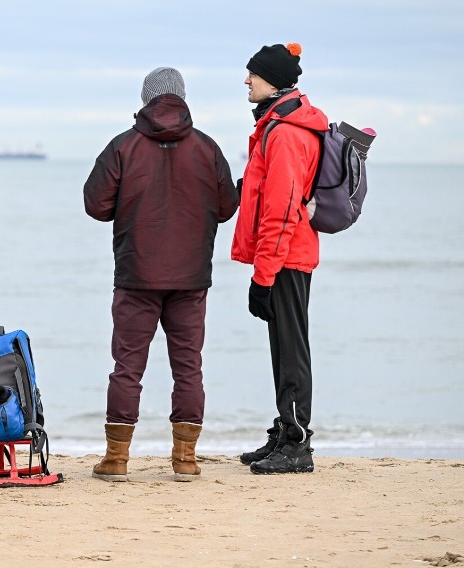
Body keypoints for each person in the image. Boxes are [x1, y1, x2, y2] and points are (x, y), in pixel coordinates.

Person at [84, 67, 239, 482]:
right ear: (182, 98)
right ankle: (185, 460)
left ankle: (116, 460)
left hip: (136, 275)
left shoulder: (123, 146)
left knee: (127, 367)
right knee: (188, 367)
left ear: (145, 99)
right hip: (191, 278)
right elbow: (227, 207)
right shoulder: (207, 148)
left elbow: (95, 205)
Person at [231, 43, 329, 474]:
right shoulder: (278, 125)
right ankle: (286, 430)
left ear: (273, 81)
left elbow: (283, 210)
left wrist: (263, 275)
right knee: (284, 348)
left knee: (291, 351)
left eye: (253, 74)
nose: (246, 81)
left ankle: (297, 442)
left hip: (286, 258)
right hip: (284, 256)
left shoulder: (287, 133)